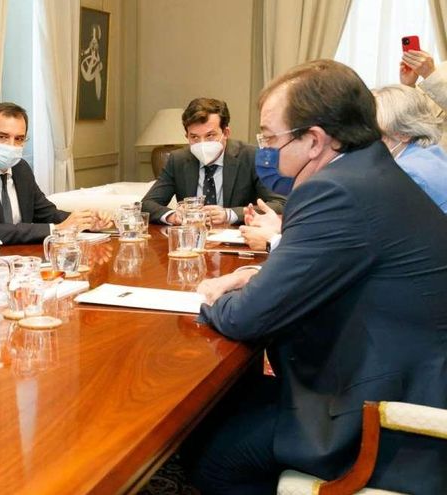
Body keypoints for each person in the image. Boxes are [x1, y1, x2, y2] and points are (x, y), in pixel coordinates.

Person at [190, 60, 447, 494]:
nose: (265, 150)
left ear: (313, 140)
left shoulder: (335, 190)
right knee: (224, 406)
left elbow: (246, 318)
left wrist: (214, 298)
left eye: (270, 138)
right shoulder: (372, 170)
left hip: (386, 416)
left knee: (214, 457)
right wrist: (253, 277)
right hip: (400, 374)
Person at [241, 82, 447, 250]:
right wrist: (284, 228)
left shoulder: (407, 174)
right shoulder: (431, 157)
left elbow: (350, 246)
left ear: (403, 134)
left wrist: (276, 238)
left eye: (374, 134)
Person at [0, 102, 110, 254]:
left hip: (20, 258)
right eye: (3, 137)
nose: (11, 146)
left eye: (19, 139)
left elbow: (47, 213)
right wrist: (57, 229)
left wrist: (85, 223)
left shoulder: (20, 168)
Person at [140, 98, 286, 226]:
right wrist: (173, 216)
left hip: (239, 239)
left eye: (210, 135)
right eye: (194, 137)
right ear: (187, 136)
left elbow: (281, 204)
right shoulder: (178, 160)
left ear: (226, 133)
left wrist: (230, 214)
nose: (202, 143)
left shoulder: (252, 156)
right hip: (192, 239)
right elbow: (147, 204)